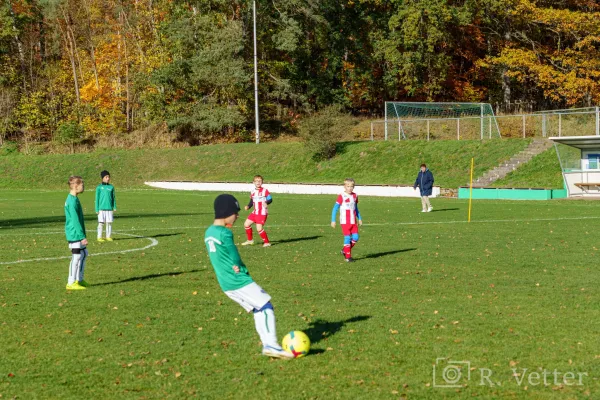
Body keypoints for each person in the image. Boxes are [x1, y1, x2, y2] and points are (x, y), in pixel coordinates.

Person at [204, 194, 294, 359]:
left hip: (224, 282)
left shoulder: (209, 232)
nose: (237, 216)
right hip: (237, 279)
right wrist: (241, 268)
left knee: (258, 309)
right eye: (235, 212)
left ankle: (268, 345)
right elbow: (235, 256)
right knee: (266, 306)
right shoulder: (225, 233)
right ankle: (272, 345)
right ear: (226, 211)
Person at [65, 176, 89, 290]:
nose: (83, 187)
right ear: (75, 186)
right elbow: (75, 220)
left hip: (78, 233)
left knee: (84, 254)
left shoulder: (75, 199)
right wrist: (81, 236)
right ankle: (70, 282)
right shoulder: (71, 201)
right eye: (82, 185)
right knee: (76, 256)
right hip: (74, 233)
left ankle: (79, 279)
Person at [331, 178, 363, 262]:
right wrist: (333, 220)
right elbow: (335, 209)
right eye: (348, 186)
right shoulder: (341, 196)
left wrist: (359, 218)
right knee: (347, 238)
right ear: (344, 187)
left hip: (353, 221)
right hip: (345, 221)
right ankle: (347, 257)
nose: (350, 188)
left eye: (351, 186)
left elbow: (356, 208)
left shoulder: (355, 195)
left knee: (356, 237)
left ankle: (345, 250)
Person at [241, 175, 272, 247]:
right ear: (253, 182)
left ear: (262, 182)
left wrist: (266, 202)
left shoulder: (265, 191)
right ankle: (250, 240)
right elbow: (252, 201)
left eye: (260, 181)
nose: (258, 182)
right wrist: (248, 206)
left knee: (259, 228)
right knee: (246, 224)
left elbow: (270, 199)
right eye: (256, 181)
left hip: (262, 212)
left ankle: (267, 243)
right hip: (255, 212)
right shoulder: (252, 191)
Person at [95, 170, 116, 241]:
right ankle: (99, 237)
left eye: (109, 177)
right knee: (101, 223)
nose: (108, 178)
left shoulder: (111, 187)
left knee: (109, 223)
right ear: (103, 178)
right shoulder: (99, 187)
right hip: (101, 209)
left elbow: (113, 198)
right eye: (106, 177)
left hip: (109, 208)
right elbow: (97, 199)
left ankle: (108, 236)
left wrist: (114, 207)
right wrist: (96, 209)